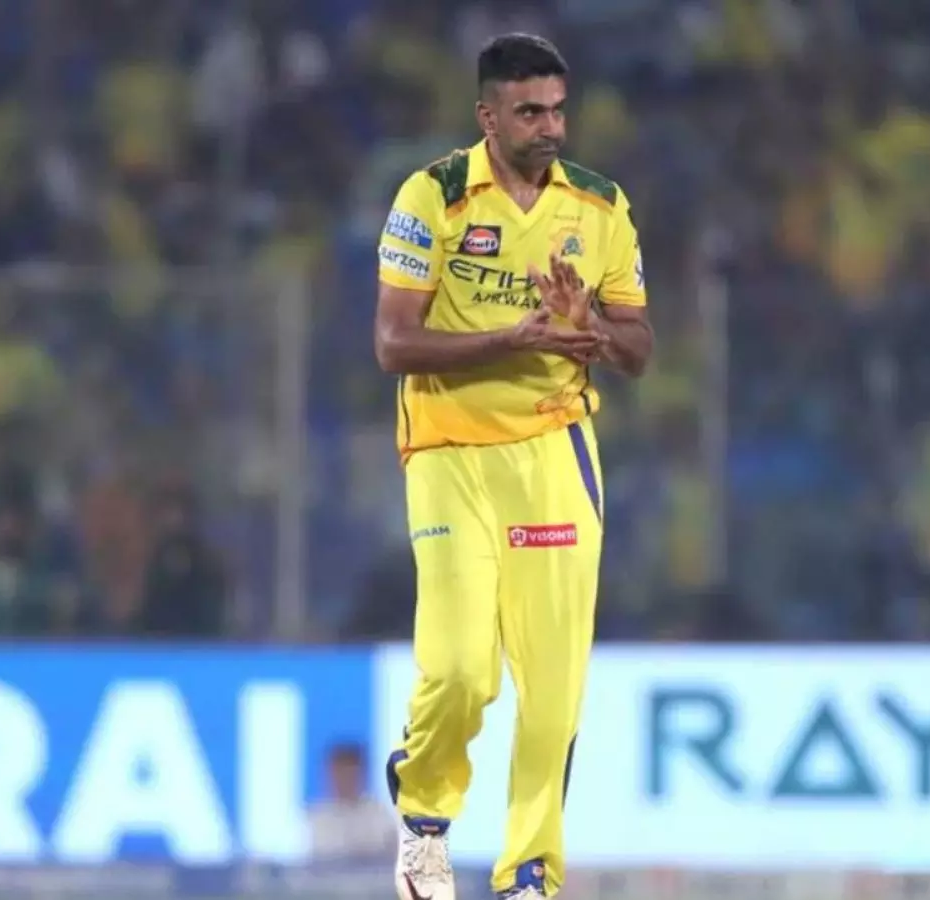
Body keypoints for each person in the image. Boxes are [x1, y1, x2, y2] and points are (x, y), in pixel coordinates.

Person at [373, 33, 653, 900]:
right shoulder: (434, 195)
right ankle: (424, 814)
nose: (550, 128)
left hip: (552, 451)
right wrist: (517, 337)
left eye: (558, 110)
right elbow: (393, 344)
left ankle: (529, 874)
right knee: (461, 670)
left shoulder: (600, 206)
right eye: (530, 112)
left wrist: (587, 328)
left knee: (554, 689)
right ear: (487, 117)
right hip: (449, 450)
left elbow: (639, 350)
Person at [306, 742, 396, 862]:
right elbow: (322, 856)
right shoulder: (319, 816)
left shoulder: (378, 812)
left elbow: (391, 851)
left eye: (350, 773)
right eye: (340, 773)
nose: (345, 779)